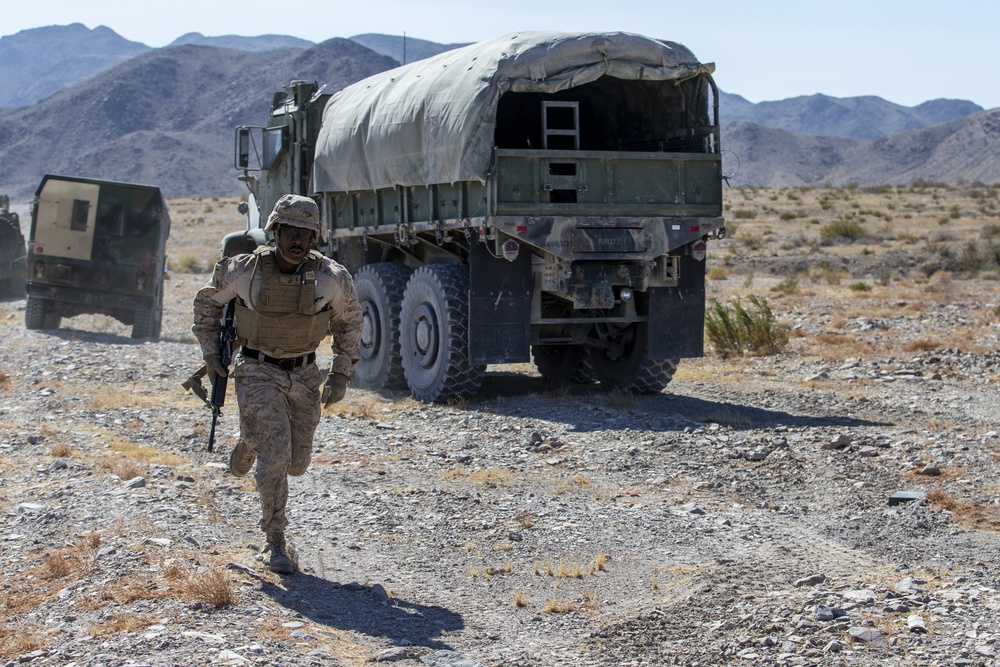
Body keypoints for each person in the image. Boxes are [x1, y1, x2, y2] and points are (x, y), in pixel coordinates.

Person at [192, 194, 362, 574]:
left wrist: (340, 373)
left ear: (314, 236)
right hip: (256, 369)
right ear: (276, 231)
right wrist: (210, 354)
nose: (297, 240)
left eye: (305, 233)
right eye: (290, 231)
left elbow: (350, 321)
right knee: (277, 455)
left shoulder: (330, 278)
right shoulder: (244, 270)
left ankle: (248, 443)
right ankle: (276, 543)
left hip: (304, 374)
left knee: (297, 463)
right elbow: (207, 305)